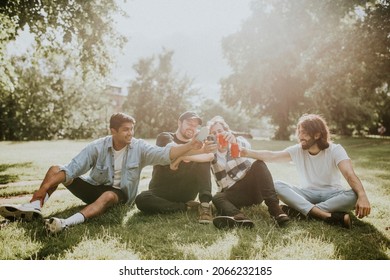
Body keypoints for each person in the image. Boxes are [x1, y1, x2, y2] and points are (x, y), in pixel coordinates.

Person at [0, 113, 203, 234]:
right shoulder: (98, 146)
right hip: (94, 187)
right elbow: (72, 168)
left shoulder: (139, 147)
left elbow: (166, 154)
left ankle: (66, 223)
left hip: (119, 194)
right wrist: (45, 188)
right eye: (125, 130)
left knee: (107, 195)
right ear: (112, 131)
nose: (130, 133)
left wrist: (190, 146)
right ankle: (34, 205)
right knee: (56, 169)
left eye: (132, 129)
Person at [241, 113, 371, 229]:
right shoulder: (298, 150)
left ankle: (299, 212)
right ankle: (323, 214)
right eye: (299, 132)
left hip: (332, 194)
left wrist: (363, 195)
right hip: (306, 194)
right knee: (277, 185)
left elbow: (349, 174)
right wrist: (246, 152)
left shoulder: (336, 150)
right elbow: (272, 155)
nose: (300, 136)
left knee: (354, 195)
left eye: (304, 132)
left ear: (317, 134)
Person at [207, 116, 290, 229]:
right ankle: (239, 218)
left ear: (227, 131)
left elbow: (247, 147)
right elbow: (199, 156)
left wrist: (234, 141)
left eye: (220, 131)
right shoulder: (211, 152)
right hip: (234, 195)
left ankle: (275, 209)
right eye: (214, 133)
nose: (218, 134)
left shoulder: (238, 141)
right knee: (217, 198)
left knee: (259, 164)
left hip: (253, 189)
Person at [135, 111, 215, 224]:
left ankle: (205, 205)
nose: (192, 128)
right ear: (179, 123)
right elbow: (173, 150)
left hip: (186, 191)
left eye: (195, 126)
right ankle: (185, 207)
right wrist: (186, 154)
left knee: (204, 160)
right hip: (161, 192)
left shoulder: (198, 144)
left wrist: (183, 158)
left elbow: (210, 156)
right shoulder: (165, 137)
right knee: (142, 199)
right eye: (189, 123)